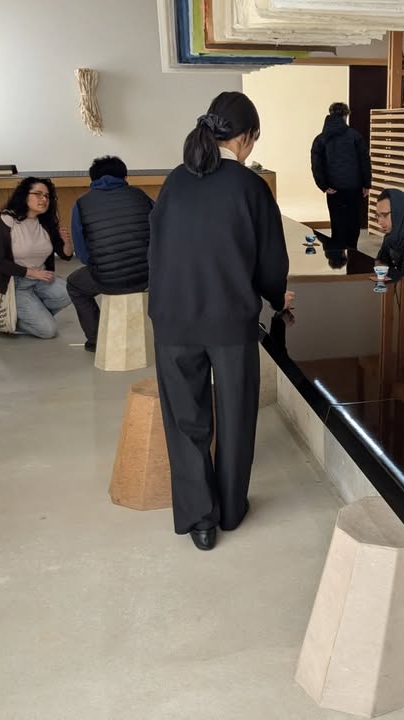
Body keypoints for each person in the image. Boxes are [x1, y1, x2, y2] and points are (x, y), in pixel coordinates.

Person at [148, 91, 293, 552]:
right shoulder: (250, 187)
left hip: (174, 320)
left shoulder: (174, 182)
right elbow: (271, 261)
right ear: (246, 138)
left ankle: (200, 522)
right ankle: (230, 509)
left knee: (186, 421)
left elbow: (157, 252)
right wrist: (276, 296)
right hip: (230, 322)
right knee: (235, 417)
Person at [66, 155, 154, 352]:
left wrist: (98, 264)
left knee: (74, 285)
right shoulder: (139, 195)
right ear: (124, 176)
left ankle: (96, 340)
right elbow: (161, 227)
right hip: (147, 276)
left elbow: (81, 251)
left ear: (92, 179)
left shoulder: (82, 203)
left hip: (108, 279)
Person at [0, 177, 73, 338]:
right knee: (48, 331)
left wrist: (67, 242)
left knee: (70, 292)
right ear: (24, 195)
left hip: (41, 279)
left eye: (47, 196)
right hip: (15, 283)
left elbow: (66, 255)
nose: (44, 199)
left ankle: (36, 314)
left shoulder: (45, 222)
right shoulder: (5, 221)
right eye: (38, 194)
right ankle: (9, 321)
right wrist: (32, 273)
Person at [311, 102, 371, 249]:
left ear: (330, 113)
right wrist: (366, 184)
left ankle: (337, 253)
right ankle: (352, 252)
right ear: (346, 115)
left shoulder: (321, 139)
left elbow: (316, 165)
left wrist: (323, 185)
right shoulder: (355, 136)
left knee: (337, 223)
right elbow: (364, 161)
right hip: (354, 188)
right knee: (353, 222)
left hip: (333, 189)